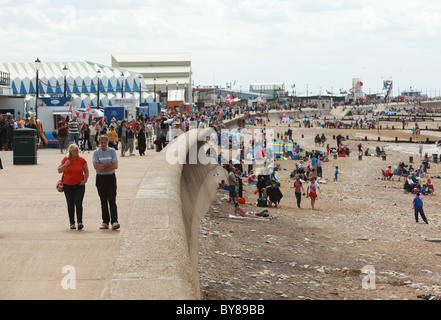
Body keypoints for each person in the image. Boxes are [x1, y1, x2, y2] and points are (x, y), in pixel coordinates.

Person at [57, 144, 89, 230]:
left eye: (77, 150)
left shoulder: (82, 160)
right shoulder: (65, 159)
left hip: (79, 185)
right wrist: (66, 164)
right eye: (75, 150)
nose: (77, 152)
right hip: (68, 185)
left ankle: (80, 222)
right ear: (70, 152)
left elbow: (86, 171)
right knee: (70, 204)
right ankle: (72, 223)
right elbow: (59, 170)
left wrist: (85, 180)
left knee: (78, 202)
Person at [93, 134, 120, 230]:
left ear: (107, 142)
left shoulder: (112, 151)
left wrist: (102, 166)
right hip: (100, 178)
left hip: (111, 178)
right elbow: (96, 166)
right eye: (101, 142)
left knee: (112, 200)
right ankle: (105, 221)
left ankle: (114, 221)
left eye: (105, 142)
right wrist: (108, 165)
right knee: (103, 201)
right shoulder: (96, 152)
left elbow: (115, 166)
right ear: (99, 143)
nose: (103, 144)